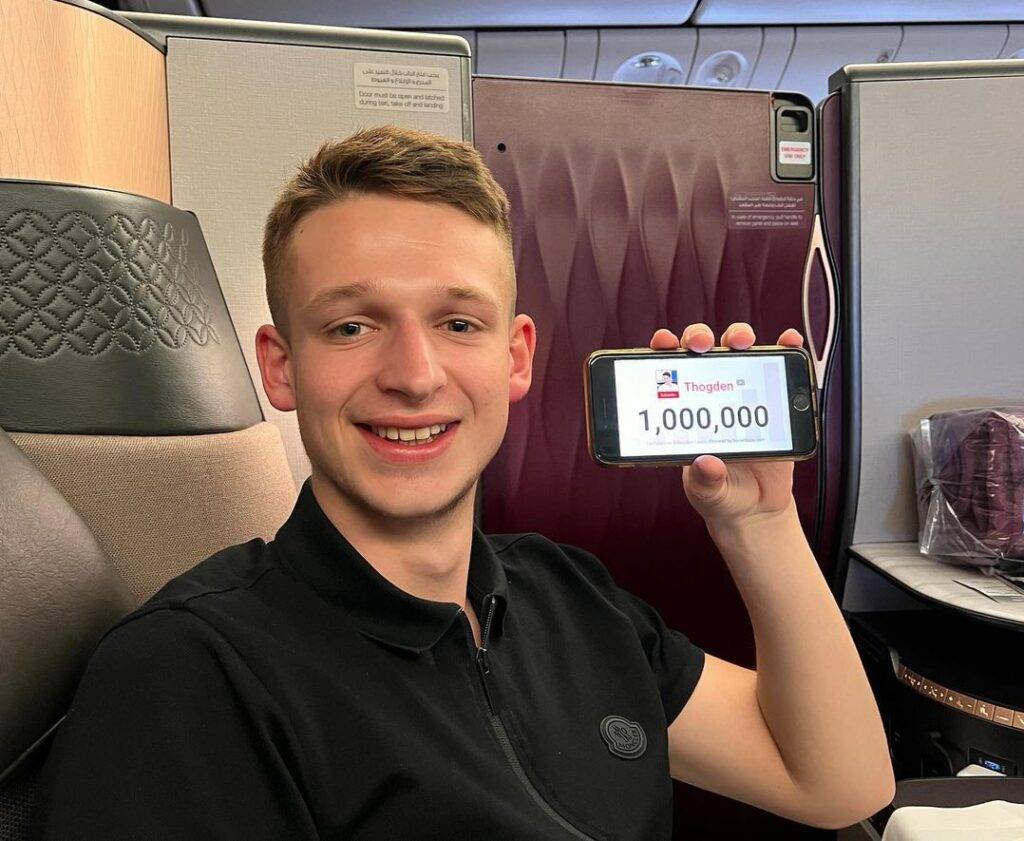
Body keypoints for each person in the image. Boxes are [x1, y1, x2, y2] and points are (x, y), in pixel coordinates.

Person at [34, 126, 894, 839]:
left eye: (456, 322)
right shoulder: (189, 674)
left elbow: (836, 782)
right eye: (352, 324)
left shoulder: (570, 594)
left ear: (514, 356)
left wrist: (761, 520)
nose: (414, 374)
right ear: (282, 366)